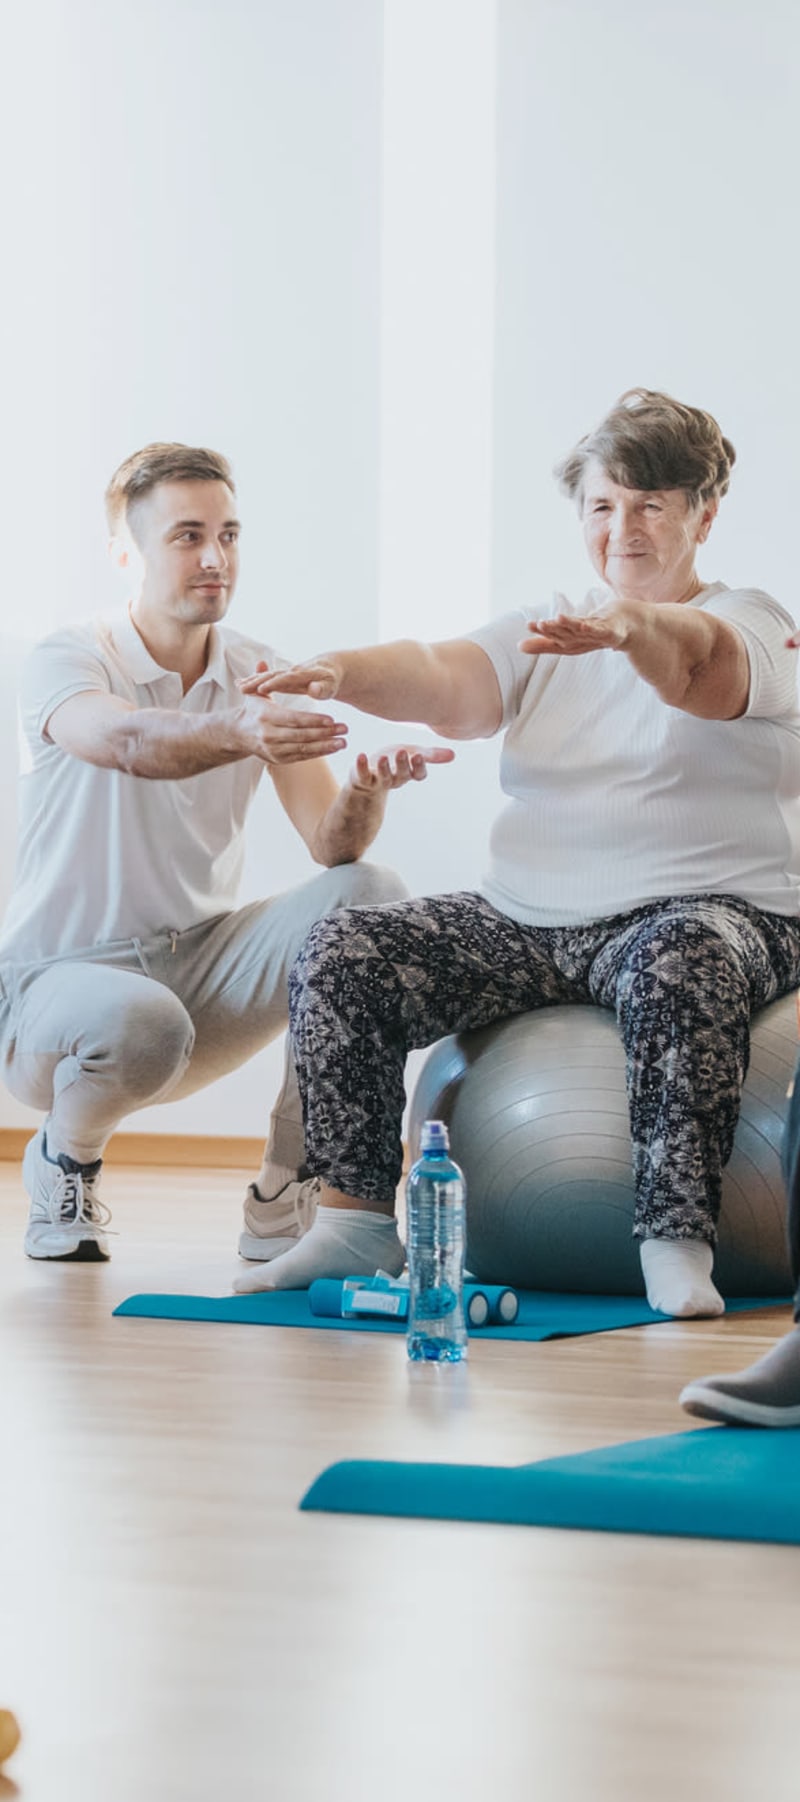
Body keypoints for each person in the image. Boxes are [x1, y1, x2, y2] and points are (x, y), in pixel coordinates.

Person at [230, 388, 800, 1318]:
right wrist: (338, 670)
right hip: (533, 917)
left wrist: (633, 629)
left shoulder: (758, 622)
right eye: (603, 505)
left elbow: (700, 669)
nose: (624, 528)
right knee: (346, 953)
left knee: (680, 956)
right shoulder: (552, 627)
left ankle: (675, 1237)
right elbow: (445, 674)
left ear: (704, 512)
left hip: (720, 910)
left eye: (652, 504)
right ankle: (354, 1217)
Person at [0, 441, 453, 1263]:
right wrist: (238, 729)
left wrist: (365, 792)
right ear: (124, 553)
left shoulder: (256, 668)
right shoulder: (68, 659)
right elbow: (132, 741)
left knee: (370, 893)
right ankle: (65, 1160)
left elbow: (330, 845)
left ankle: (287, 1184)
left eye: (230, 534)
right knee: (140, 1020)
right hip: (51, 995)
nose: (216, 558)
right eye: (186, 536)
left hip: (197, 975)